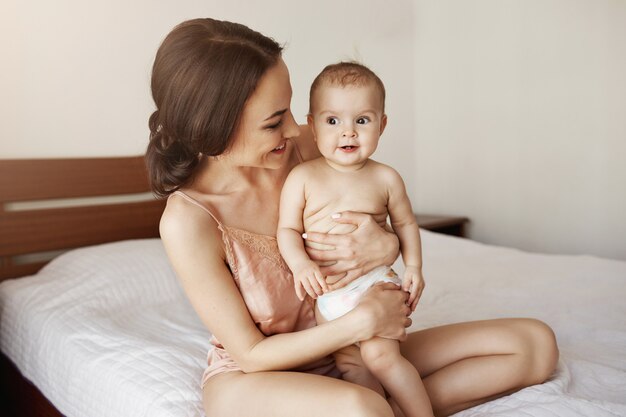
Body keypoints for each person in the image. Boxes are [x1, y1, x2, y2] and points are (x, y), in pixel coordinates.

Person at [147, 18, 559, 417]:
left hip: (355, 348)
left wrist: (390, 244)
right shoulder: (189, 221)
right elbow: (252, 356)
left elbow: (383, 206)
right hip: (262, 374)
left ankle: (398, 408)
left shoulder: (313, 147)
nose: (294, 129)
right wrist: (363, 320)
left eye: (290, 110)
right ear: (213, 129)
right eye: (274, 122)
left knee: (534, 345)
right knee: (362, 408)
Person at [277, 62, 433, 417]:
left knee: (381, 357)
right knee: (353, 367)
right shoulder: (302, 178)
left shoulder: (386, 178)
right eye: (333, 121)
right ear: (312, 125)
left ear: (382, 124)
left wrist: (415, 266)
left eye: (362, 120)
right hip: (329, 295)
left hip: (376, 284)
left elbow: (406, 223)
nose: (348, 133)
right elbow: (286, 230)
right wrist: (300, 264)